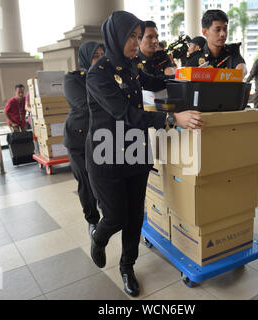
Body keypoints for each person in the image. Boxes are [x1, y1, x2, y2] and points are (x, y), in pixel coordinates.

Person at [86, 11, 204, 297]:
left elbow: (151, 81)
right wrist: (174, 119)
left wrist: (182, 74)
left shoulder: (131, 66)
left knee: (135, 217)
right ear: (115, 36)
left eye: (138, 37)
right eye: (132, 36)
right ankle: (99, 238)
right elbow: (126, 114)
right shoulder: (98, 75)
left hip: (136, 152)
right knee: (115, 217)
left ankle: (127, 266)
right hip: (107, 154)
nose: (136, 42)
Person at [63, 41, 104, 237]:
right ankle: (92, 220)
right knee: (86, 181)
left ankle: (108, 212)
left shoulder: (108, 77)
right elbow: (83, 104)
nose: (100, 59)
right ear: (86, 58)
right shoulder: (72, 79)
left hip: (101, 138)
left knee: (103, 178)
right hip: (78, 139)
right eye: (95, 55)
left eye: (102, 54)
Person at [186, 9, 246, 74]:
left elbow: (242, 70)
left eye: (225, 29)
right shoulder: (194, 59)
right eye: (218, 30)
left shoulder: (232, 51)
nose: (223, 34)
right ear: (205, 32)